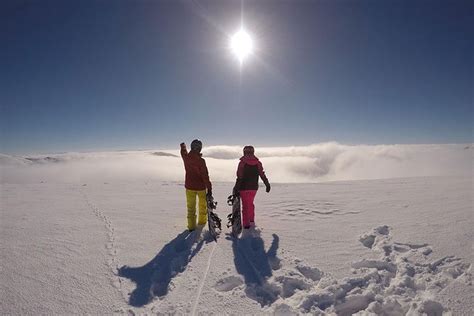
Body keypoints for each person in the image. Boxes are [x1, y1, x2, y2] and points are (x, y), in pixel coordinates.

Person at [233, 145, 271, 229]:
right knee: (250, 203)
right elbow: (262, 174)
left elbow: (239, 175)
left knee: (245, 205)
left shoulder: (242, 163)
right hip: (254, 187)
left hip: (243, 187)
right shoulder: (258, 163)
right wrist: (267, 184)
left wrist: (236, 187)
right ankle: (251, 220)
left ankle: (246, 225)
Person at [180, 139, 212, 231]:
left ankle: (191, 226)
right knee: (202, 206)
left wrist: (183, 147)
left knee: (191, 207)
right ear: (200, 148)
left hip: (189, 187)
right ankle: (202, 223)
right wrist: (209, 188)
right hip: (201, 187)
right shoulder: (201, 161)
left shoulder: (186, 158)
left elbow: (183, 153)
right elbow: (205, 175)